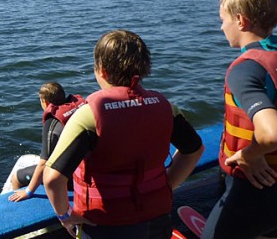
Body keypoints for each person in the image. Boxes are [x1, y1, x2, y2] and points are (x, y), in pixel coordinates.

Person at [42, 30, 204, 238]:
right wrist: (166, 185)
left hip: (104, 223)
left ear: (102, 70)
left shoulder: (89, 115)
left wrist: (65, 216)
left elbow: (53, 178)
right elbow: (194, 150)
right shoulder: (166, 107)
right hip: (156, 217)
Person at [201, 0, 277, 239]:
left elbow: (271, 133)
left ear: (241, 21)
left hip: (254, 188)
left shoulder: (245, 68)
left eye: (223, 20)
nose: (221, 27)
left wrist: (251, 154)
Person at [8, 82, 85, 202]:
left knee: (17, 177)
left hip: (70, 178)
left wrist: (28, 191)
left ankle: (21, 209)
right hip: (86, 169)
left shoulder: (53, 121)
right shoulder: (79, 108)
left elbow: (44, 163)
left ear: (45, 102)